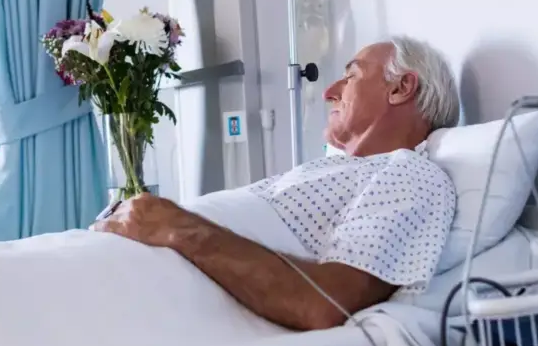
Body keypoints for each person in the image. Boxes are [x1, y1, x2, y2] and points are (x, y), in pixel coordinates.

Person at [93, 35, 461, 331]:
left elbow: (322, 303)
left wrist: (178, 226)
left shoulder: (412, 174)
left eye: (351, 76)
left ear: (401, 88)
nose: (330, 91)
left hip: (152, 283)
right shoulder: (336, 171)